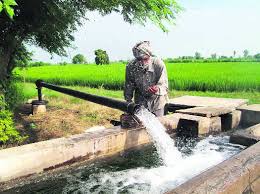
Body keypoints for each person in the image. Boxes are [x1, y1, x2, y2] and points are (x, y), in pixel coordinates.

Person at [124, 41, 169, 117]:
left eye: (145, 59)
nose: (142, 62)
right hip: (140, 102)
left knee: (159, 125)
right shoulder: (130, 66)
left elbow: (164, 85)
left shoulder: (158, 64)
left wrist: (157, 88)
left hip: (157, 102)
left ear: (149, 56)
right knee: (141, 126)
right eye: (139, 59)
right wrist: (129, 104)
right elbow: (129, 86)